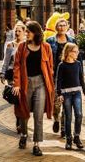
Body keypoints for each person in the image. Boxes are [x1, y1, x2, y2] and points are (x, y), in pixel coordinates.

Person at [13, 21, 54, 156]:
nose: (26, 34)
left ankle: (36, 144)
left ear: (36, 32)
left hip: (41, 84)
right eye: (25, 31)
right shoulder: (22, 47)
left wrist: (51, 84)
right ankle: (24, 134)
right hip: (26, 83)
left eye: (28, 32)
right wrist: (17, 84)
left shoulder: (46, 47)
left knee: (38, 114)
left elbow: (50, 68)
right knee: (24, 113)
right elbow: (17, 66)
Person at [46, 18, 81, 138]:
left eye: (63, 25)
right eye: (59, 25)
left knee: (66, 105)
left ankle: (63, 128)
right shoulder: (50, 40)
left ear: (67, 27)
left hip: (69, 75)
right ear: (56, 27)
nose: (61, 27)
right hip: (55, 75)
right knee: (56, 103)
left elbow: (77, 56)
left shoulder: (71, 40)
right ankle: (56, 118)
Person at [56, 43, 85, 150]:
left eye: (78, 51)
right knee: (68, 117)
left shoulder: (78, 64)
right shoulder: (62, 65)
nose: (77, 53)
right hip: (66, 94)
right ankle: (68, 139)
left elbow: (81, 78)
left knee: (79, 114)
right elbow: (58, 81)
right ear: (69, 52)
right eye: (75, 51)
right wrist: (59, 94)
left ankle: (77, 136)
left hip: (77, 93)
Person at [0, 22, 26, 134]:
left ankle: (21, 121)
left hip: (24, 75)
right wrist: (2, 73)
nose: (17, 33)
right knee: (16, 99)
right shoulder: (10, 45)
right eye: (16, 31)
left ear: (24, 32)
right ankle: (18, 121)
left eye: (20, 31)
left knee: (22, 99)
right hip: (12, 74)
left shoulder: (26, 45)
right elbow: (6, 61)